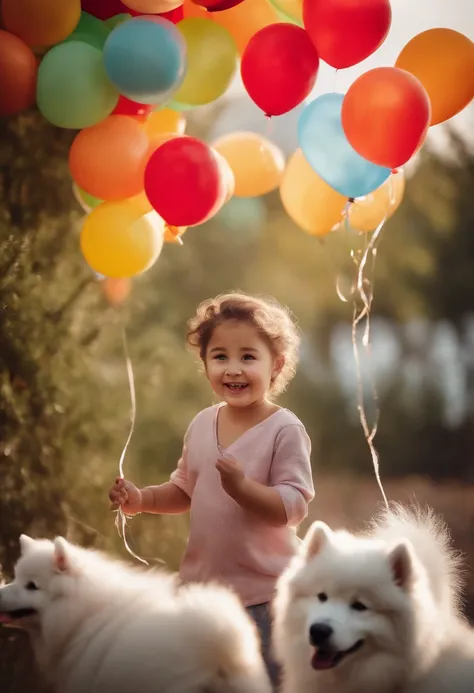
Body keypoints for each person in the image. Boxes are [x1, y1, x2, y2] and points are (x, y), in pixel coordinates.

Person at [109, 292, 315, 689]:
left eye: (248, 357)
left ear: (277, 365)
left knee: (267, 682)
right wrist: (142, 500)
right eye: (220, 356)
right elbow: (184, 489)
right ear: (204, 365)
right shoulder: (203, 423)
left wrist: (243, 488)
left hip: (264, 597)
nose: (233, 369)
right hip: (201, 594)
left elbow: (292, 507)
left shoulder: (284, 430)